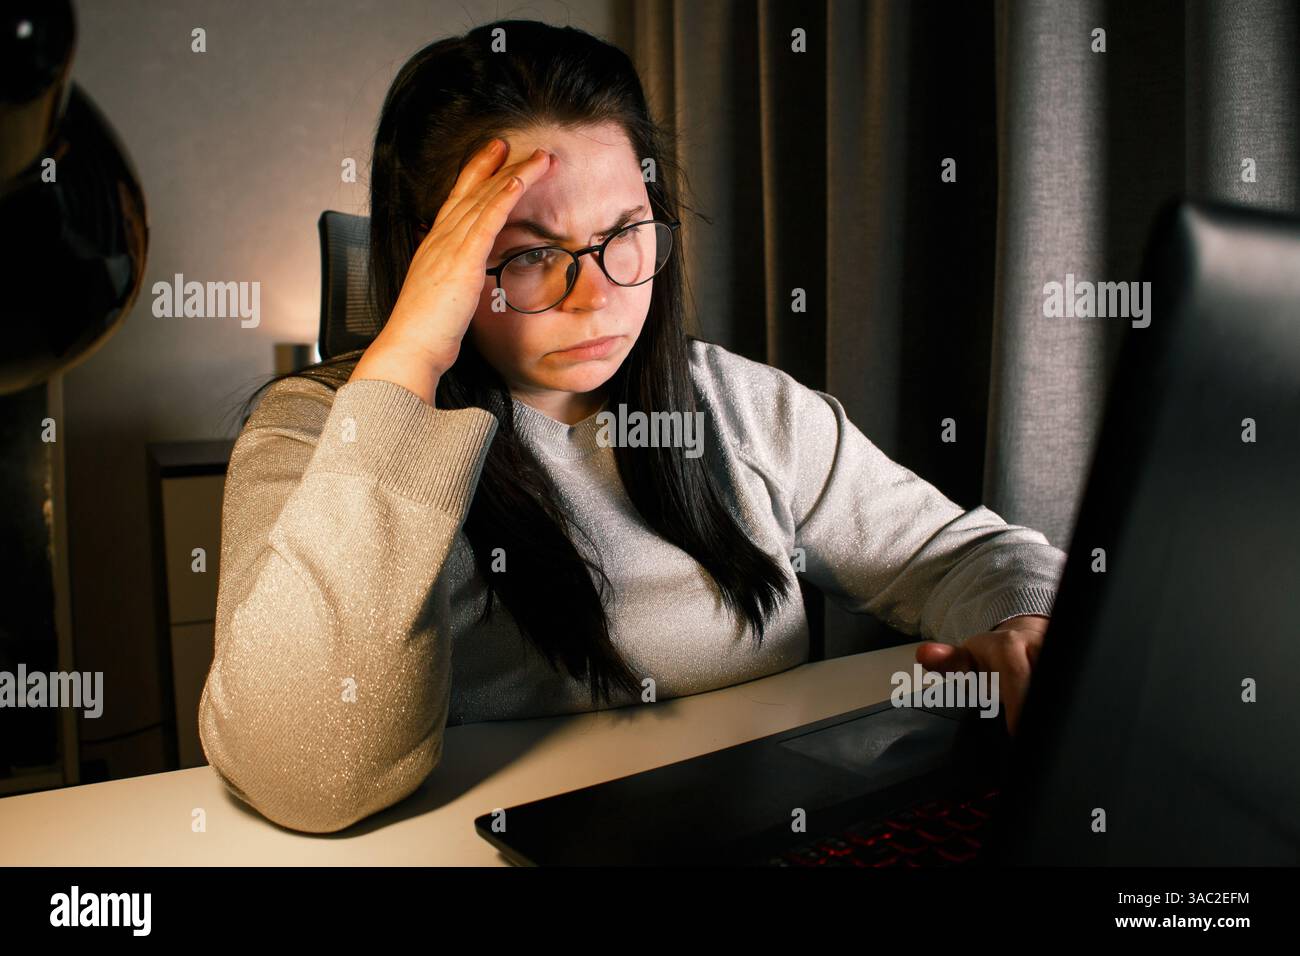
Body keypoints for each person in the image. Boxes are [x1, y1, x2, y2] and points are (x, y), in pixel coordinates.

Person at [198, 19, 1065, 834]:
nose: (598, 294)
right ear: (436, 263)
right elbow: (307, 780)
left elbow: (962, 554)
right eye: (530, 254)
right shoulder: (316, 436)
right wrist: (411, 356)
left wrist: (1026, 623)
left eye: (626, 233)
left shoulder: (735, 403)